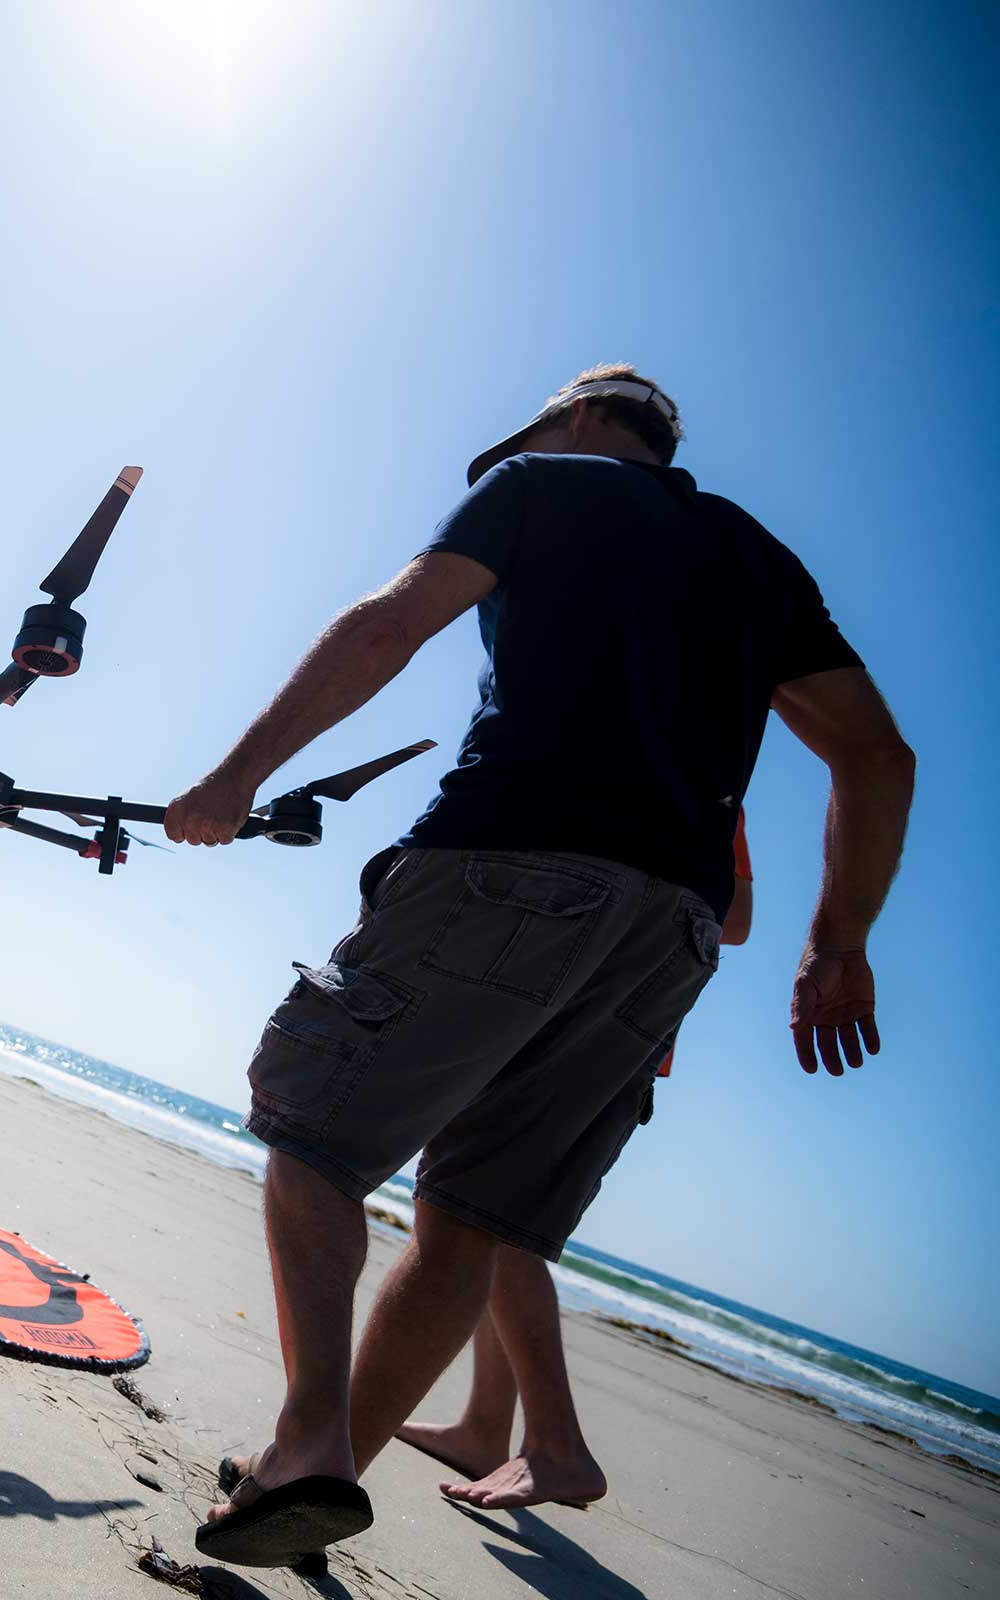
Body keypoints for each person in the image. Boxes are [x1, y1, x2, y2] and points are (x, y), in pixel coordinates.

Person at [163, 364, 914, 1568]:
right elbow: (878, 757)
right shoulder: (761, 558)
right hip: (671, 935)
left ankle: (307, 1437)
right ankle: (300, 1485)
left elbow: (389, 624)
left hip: (515, 856)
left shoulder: (540, 484)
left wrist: (238, 774)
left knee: (313, 1130)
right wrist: (840, 945)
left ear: (576, 418)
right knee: (469, 1215)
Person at [393, 814, 751, 1513]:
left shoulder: (697, 777)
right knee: (490, 1219)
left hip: (595, 1024)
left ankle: (558, 1446)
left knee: (485, 1217)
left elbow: (731, 918)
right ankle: (483, 1428)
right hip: (566, 1014)